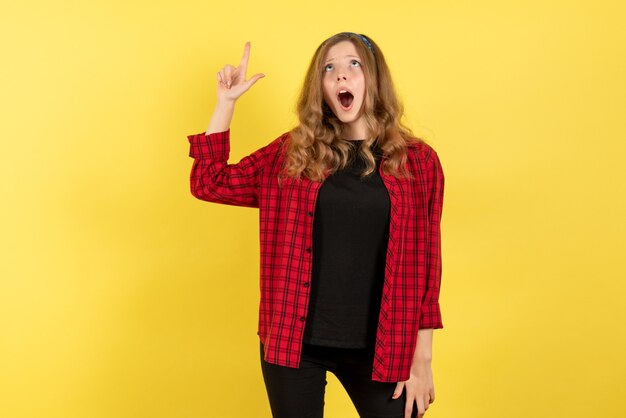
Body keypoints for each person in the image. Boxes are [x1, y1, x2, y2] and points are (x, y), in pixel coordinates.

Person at [187, 32, 445, 418]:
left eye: (353, 65)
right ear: (321, 88)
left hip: (384, 344)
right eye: (329, 69)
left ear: (373, 78)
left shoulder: (419, 162)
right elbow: (210, 183)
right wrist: (225, 104)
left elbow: (427, 264)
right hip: (295, 343)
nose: (341, 76)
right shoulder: (292, 154)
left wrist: (421, 360)